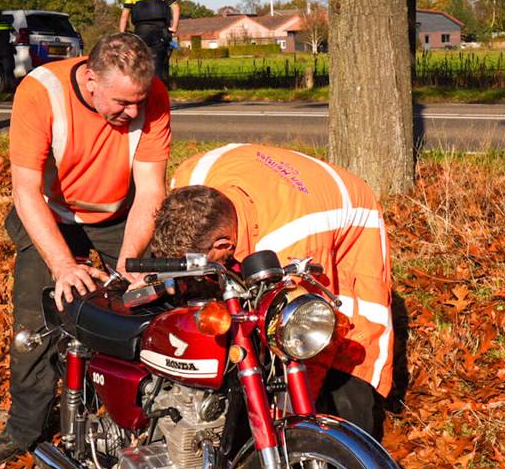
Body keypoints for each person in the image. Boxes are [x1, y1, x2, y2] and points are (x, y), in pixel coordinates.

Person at [0, 32, 173, 469]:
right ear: (91, 81)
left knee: (150, 304)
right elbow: (25, 192)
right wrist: (63, 266)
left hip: (118, 213)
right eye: (122, 103)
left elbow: (151, 190)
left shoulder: (151, 94)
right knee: (36, 320)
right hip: (50, 212)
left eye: (139, 102)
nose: (133, 111)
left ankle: (142, 420)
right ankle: (23, 430)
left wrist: (131, 262)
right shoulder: (41, 92)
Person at [151, 143, 392, 438]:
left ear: (224, 245)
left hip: (344, 215)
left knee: (332, 333)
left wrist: (292, 415)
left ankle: (346, 442)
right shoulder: (189, 178)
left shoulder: (290, 241)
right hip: (261, 180)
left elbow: (301, 337)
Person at [119, 0, 180, 83]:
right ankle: (158, 88)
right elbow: (176, 7)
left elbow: (124, 15)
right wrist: (174, 27)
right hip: (160, 31)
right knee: (158, 64)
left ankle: (142, 88)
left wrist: (122, 34)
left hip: (141, 31)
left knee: (140, 63)